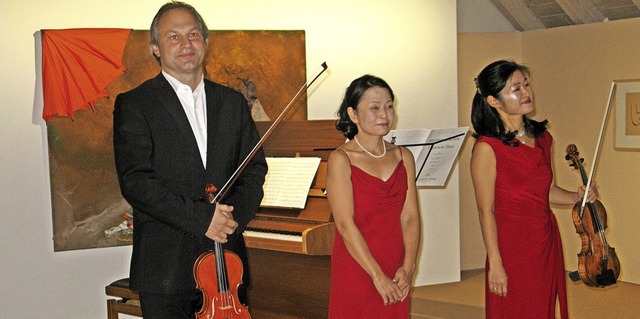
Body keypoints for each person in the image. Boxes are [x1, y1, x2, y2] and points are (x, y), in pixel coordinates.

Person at [112, 2, 267, 318]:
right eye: (173, 37)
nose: (186, 44)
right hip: (166, 269)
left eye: (193, 34)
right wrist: (202, 218)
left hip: (227, 267)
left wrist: (229, 221)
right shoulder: (135, 105)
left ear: (206, 42)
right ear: (156, 47)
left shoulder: (232, 102)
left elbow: (254, 168)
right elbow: (136, 181)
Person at [470, 60, 598, 319]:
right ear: (494, 101)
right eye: (515, 88)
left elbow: (547, 190)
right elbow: (486, 211)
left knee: (541, 308)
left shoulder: (542, 138)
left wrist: (577, 196)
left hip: (544, 238)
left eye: (526, 85)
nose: (526, 93)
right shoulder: (487, 148)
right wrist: (495, 262)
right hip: (511, 245)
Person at [326, 75, 421, 318]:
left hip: (395, 263)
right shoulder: (341, 159)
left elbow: (410, 217)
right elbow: (345, 225)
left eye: (389, 106)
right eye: (374, 107)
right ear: (353, 114)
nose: (384, 114)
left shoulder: (403, 156)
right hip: (358, 266)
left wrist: (408, 268)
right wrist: (376, 275)